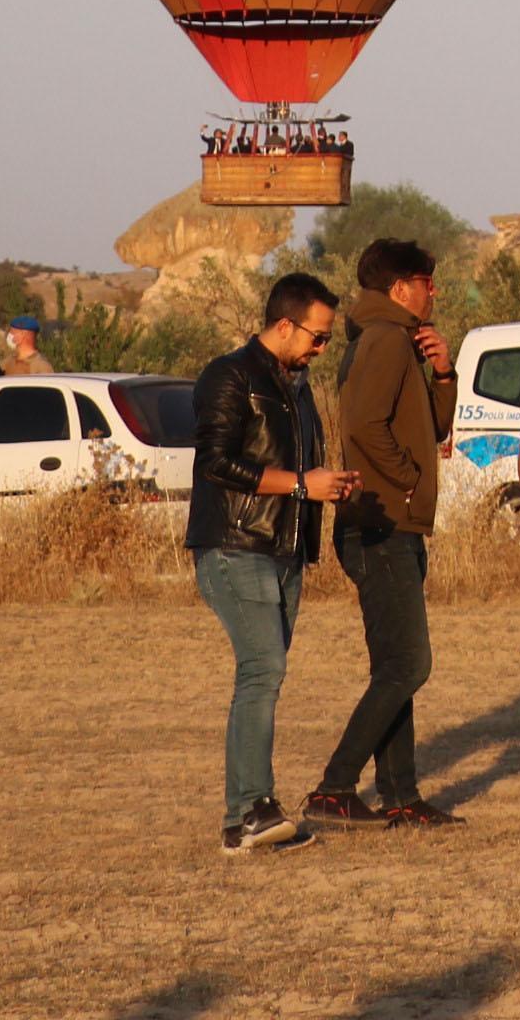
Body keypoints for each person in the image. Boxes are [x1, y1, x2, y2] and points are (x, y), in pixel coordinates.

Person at [188, 273, 359, 855]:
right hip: (236, 545)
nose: (322, 348)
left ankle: (245, 818)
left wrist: (331, 485)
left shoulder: (297, 386)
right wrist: (302, 485)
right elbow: (215, 462)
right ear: (285, 325)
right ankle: (252, 810)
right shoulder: (230, 375)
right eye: (318, 336)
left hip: (284, 550)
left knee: (263, 674)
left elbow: (300, 469)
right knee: (263, 670)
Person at [311, 237, 463, 830]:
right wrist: (406, 478)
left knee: (395, 667)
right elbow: (363, 425)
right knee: (409, 664)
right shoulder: (384, 339)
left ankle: (401, 796)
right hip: (381, 523)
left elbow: (434, 426)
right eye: (427, 283)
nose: (434, 293)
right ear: (401, 289)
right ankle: (334, 788)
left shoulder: (397, 340)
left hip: (391, 522)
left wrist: (443, 372)